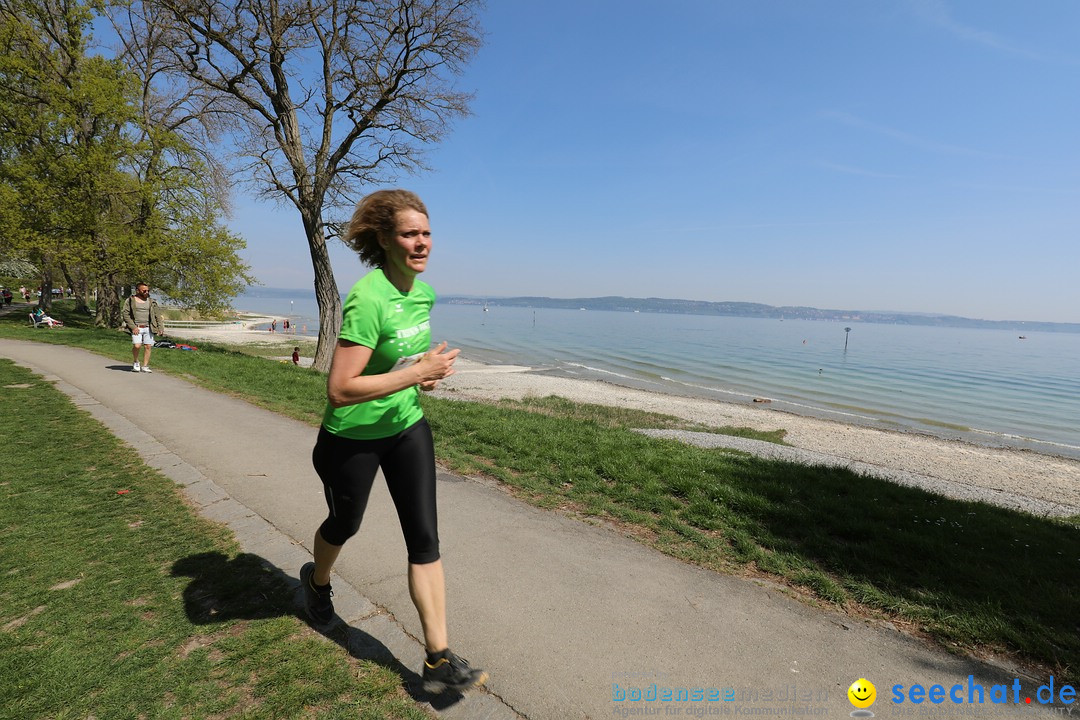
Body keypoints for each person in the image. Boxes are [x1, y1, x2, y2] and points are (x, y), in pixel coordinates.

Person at [300, 189, 486, 695]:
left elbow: (399, 365)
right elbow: (340, 390)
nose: (422, 243)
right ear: (384, 239)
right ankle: (317, 583)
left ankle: (438, 659)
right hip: (352, 438)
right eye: (410, 234)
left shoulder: (423, 294)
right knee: (345, 524)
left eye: (426, 233)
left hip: (406, 427)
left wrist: (422, 377)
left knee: (425, 539)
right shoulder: (369, 297)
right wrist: (417, 371)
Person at [121, 283, 164, 373]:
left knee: (148, 346)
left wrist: (160, 328)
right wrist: (133, 327)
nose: (146, 292)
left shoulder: (151, 301)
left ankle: (145, 366)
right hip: (136, 327)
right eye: (144, 291)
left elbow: (157, 315)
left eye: (148, 291)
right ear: (137, 290)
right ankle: (136, 361)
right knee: (137, 345)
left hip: (149, 327)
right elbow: (125, 314)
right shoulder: (130, 300)